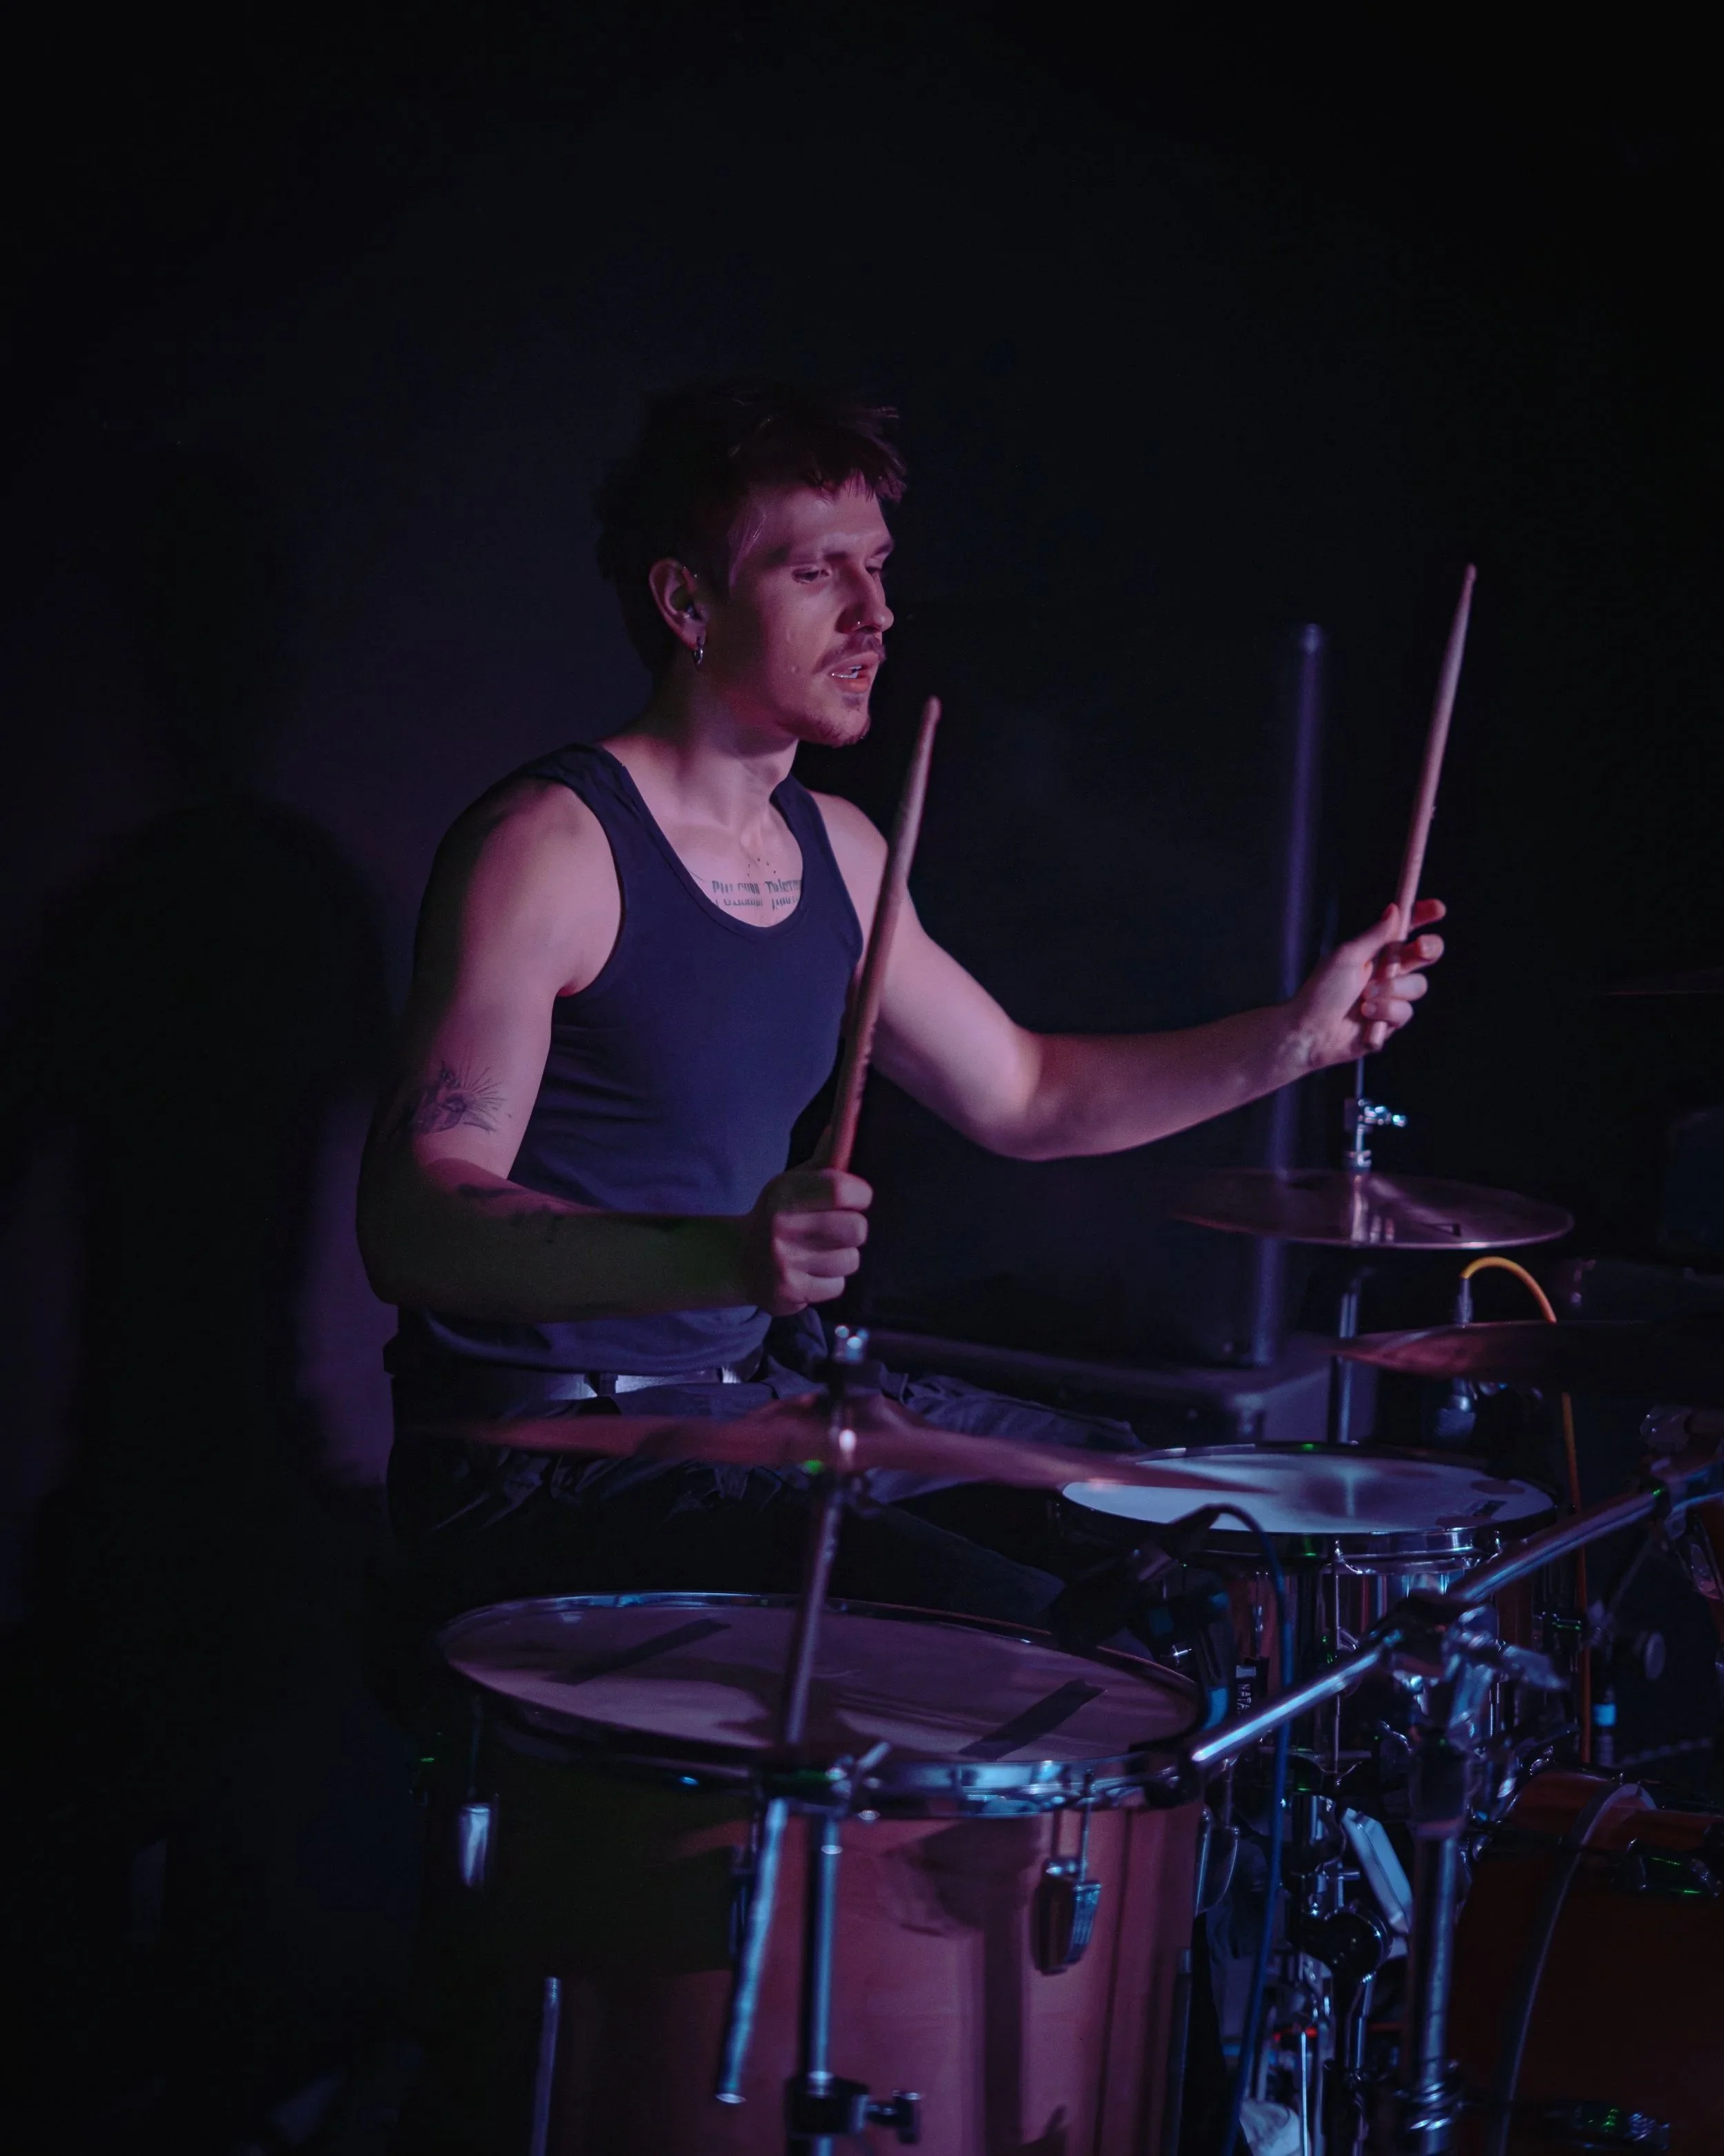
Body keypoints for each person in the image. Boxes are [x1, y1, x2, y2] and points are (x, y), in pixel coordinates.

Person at [359, 379, 1443, 1629]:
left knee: (1183, 1523)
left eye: (879, 570)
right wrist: (724, 1254)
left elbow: (1028, 1094)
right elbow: (413, 1217)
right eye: (821, 573)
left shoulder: (841, 849)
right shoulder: (551, 848)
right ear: (685, 600)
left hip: (744, 1403)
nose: (878, 615)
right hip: (540, 1460)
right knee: (1001, 1628)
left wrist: (1300, 1039)